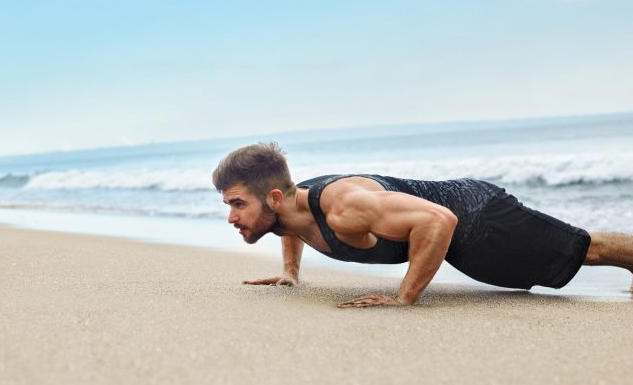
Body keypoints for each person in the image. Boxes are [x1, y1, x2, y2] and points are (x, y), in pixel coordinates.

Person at [212, 142, 633, 308]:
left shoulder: (343, 207)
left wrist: (404, 298)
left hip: (476, 217)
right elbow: (291, 226)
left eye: (237, 204)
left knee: (582, 250)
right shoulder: (286, 210)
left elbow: (438, 219)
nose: (231, 216)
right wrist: (290, 273)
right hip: (457, 243)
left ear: (273, 198)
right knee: (555, 266)